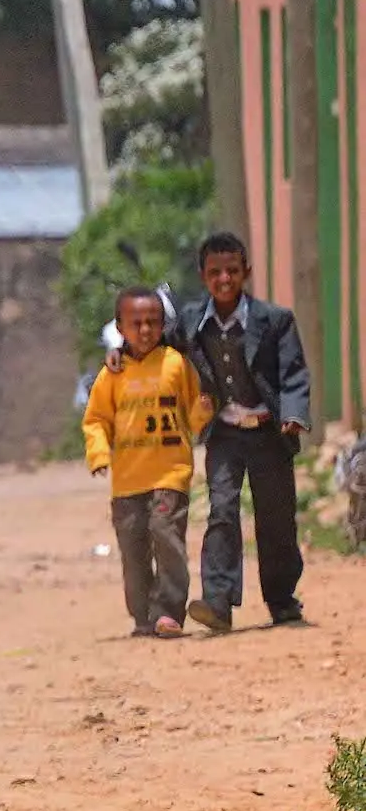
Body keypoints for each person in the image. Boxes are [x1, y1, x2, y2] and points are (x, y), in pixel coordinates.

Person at [175, 233, 311, 632]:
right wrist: (121, 353)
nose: (224, 279)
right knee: (222, 510)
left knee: (277, 519)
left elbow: (293, 374)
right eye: (215, 272)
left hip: (269, 434)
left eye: (232, 271)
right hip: (225, 434)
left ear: (246, 272)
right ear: (202, 276)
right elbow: (158, 345)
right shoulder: (191, 321)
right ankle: (217, 601)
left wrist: (294, 414)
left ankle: (282, 600)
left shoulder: (275, 320)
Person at [84, 285, 201, 639]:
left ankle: (168, 611)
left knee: (167, 538)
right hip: (128, 480)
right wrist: (99, 452)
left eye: (153, 322)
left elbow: (193, 406)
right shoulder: (112, 375)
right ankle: (142, 614)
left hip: (170, 472)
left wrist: (203, 416)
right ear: (120, 328)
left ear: (163, 324)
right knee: (133, 551)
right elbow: (96, 419)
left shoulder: (175, 364)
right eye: (137, 323)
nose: (145, 330)